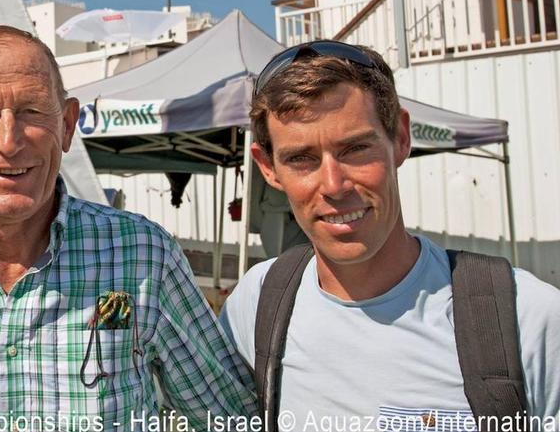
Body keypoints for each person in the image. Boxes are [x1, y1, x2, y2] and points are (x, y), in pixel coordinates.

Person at [0, 25, 258, 430]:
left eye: (31, 111)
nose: (9, 141)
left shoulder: (143, 255)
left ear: (66, 125)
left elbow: (228, 419)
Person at [219, 40, 560, 429]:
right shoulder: (257, 303)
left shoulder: (527, 318)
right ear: (268, 168)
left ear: (399, 138)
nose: (333, 185)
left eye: (355, 149)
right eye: (301, 158)